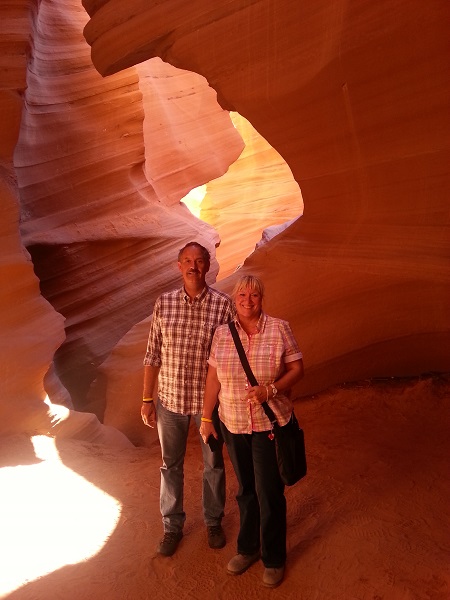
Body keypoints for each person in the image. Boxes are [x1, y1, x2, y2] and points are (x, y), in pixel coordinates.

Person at [200, 274, 303, 588]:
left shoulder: (279, 328)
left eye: (254, 295)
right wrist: (206, 418)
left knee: (268, 492)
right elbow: (214, 378)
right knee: (245, 489)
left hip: (266, 424)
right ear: (235, 298)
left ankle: (273, 557)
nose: (247, 300)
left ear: (262, 298)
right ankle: (248, 548)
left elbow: (298, 369)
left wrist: (270, 390)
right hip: (233, 423)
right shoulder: (222, 334)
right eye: (242, 295)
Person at [141, 242, 233, 557]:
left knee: (213, 463)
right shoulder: (163, 304)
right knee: (170, 465)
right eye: (187, 261)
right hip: (169, 401)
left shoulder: (223, 305)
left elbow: (231, 357)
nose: (193, 266)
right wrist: (146, 398)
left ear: (208, 266)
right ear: (178, 266)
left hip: (208, 405)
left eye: (199, 261)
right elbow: (152, 353)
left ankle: (213, 521)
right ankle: (172, 528)